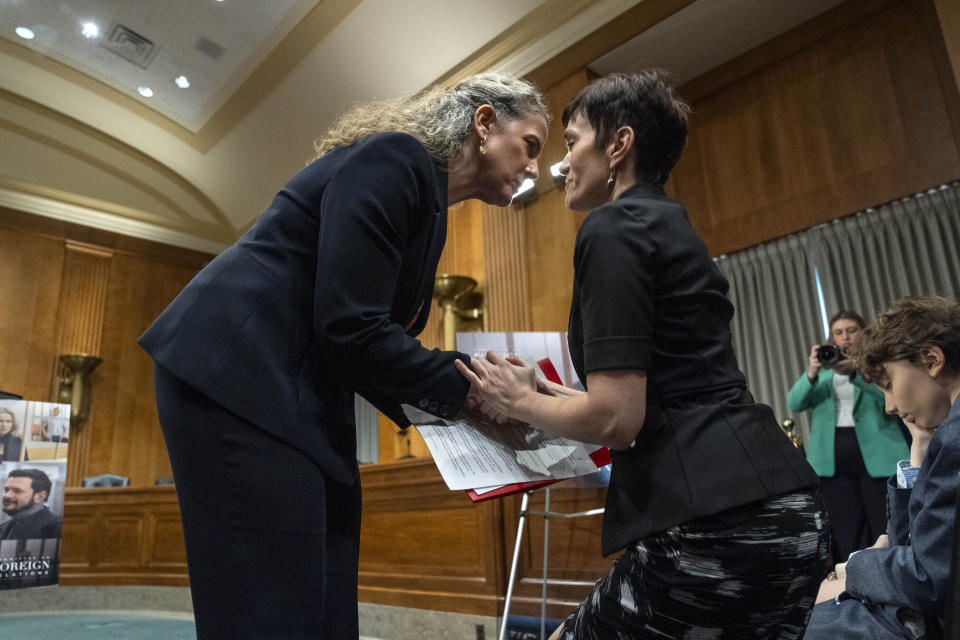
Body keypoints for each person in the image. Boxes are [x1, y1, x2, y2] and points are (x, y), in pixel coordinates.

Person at [138, 73, 549, 639]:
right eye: (529, 145)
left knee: (325, 604)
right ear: (484, 124)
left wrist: (472, 401)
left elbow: (364, 335)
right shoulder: (397, 157)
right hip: (235, 376)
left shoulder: (429, 201)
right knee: (267, 612)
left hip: (295, 389)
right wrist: (474, 393)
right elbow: (351, 327)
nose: (532, 167)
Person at [457, 70, 828, 639]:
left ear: (619, 145)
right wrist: (541, 392)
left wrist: (517, 401)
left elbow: (615, 419)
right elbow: (658, 395)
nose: (561, 164)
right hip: (785, 511)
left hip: (712, 527)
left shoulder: (614, 225)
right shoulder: (671, 224)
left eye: (574, 140)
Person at [803, 296, 960, 639]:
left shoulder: (954, 438)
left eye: (888, 385)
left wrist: (855, 566)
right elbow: (914, 544)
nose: (889, 406)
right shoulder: (945, 434)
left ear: (932, 359)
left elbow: (927, 578)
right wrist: (919, 446)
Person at [787, 311, 909, 562]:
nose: (845, 337)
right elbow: (795, 402)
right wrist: (811, 371)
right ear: (831, 337)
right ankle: (855, 583)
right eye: (839, 332)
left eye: (851, 330)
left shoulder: (875, 364)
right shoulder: (824, 370)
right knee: (847, 529)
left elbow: (893, 399)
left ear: (863, 331)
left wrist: (856, 372)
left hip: (879, 455)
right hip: (832, 462)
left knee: (886, 525)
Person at [0, 468, 62, 539]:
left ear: (40, 497)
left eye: (17, 491)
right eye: (6, 490)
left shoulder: (58, 528)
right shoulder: (3, 528)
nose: (6, 495)